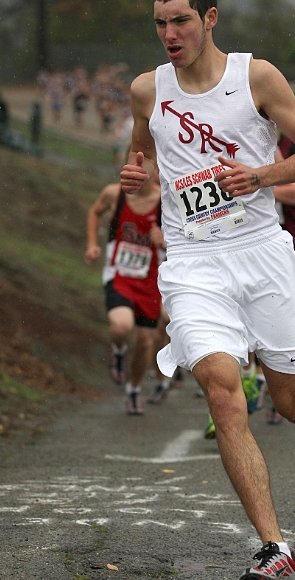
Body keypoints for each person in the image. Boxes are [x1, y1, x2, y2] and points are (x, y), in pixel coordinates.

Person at [120, 0, 295, 579]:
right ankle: (276, 549)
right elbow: (141, 158)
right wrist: (136, 178)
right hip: (192, 260)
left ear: (209, 18)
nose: (169, 33)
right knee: (221, 387)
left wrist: (262, 176)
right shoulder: (147, 90)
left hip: (262, 252)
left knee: (292, 406)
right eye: (160, 23)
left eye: (181, 20)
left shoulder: (256, 77)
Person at [85, 172, 169, 415]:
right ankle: (119, 350)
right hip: (119, 276)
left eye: (145, 168)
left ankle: (134, 389)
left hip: (150, 281)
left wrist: (164, 241)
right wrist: (92, 244)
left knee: (145, 342)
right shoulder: (114, 194)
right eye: (132, 166)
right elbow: (94, 212)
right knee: (121, 327)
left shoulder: (167, 201)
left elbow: (188, 236)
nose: (138, 174)